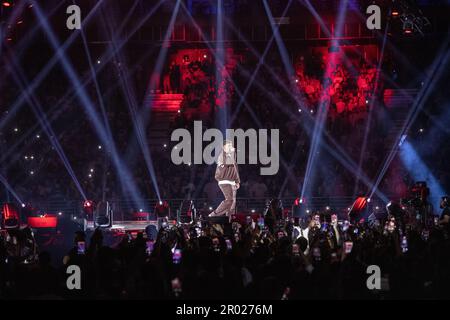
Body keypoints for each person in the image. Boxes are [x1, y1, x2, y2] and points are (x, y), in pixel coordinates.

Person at [209, 140, 240, 221]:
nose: (230, 147)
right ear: (224, 147)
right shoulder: (222, 155)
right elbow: (228, 163)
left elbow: (235, 169)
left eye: (231, 145)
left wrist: (237, 181)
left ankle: (229, 221)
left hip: (232, 181)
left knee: (232, 204)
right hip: (224, 180)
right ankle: (214, 214)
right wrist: (233, 153)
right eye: (228, 145)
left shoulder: (232, 156)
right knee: (229, 200)